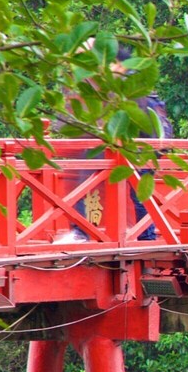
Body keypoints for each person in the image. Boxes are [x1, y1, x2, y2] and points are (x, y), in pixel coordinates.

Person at [53, 46, 169, 243]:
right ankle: (82, 231)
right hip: (120, 147)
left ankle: (145, 236)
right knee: (82, 181)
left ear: (119, 64)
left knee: (139, 195)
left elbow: (133, 119)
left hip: (142, 148)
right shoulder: (111, 84)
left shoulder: (133, 86)